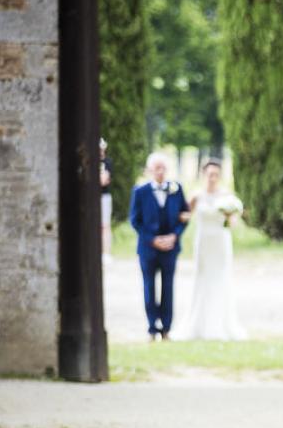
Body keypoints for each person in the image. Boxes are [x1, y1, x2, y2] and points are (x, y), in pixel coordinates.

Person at [178, 159, 247, 341]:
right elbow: (185, 215)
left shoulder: (226, 197)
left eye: (216, 174)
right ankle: (199, 322)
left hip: (220, 241)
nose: (213, 178)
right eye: (210, 174)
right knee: (202, 277)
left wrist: (229, 217)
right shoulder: (196, 196)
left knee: (221, 277)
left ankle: (220, 322)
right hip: (203, 242)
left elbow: (232, 222)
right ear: (204, 175)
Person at [128, 152, 189, 341]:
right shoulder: (140, 191)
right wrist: (152, 239)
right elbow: (135, 221)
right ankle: (152, 327)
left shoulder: (176, 189)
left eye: (163, 167)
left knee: (168, 287)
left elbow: (184, 216)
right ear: (150, 170)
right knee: (149, 287)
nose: (160, 171)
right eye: (157, 168)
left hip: (171, 247)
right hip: (148, 248)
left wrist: (174, 236)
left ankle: (167, 327)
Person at [99, 138, 113, 263]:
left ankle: (106, 253)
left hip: (104, 197)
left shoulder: (107, 162)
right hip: (98, 197)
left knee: (105, 225)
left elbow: (104, 181)